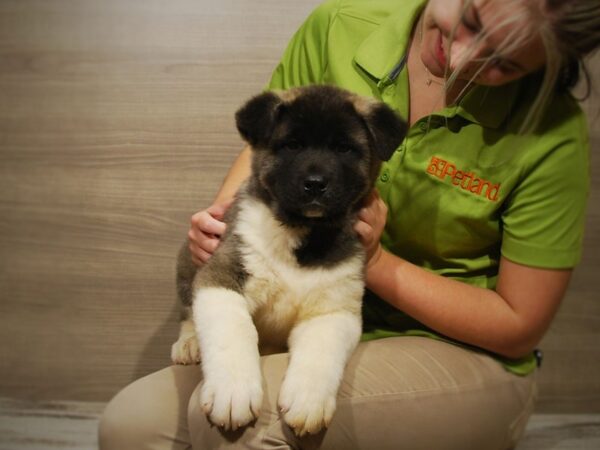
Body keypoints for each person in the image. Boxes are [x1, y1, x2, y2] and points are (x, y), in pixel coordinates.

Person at [99, 0, 600, 448]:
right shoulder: (339, 24)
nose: (464, 57)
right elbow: (266, 151)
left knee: (241, 428)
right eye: (468, 20)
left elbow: (516, 326)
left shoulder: (552, 132)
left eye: (504, 62)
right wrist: (220, 233)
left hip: (456, 350)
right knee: (130, 427)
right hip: (307, 314)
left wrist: (375, 260)